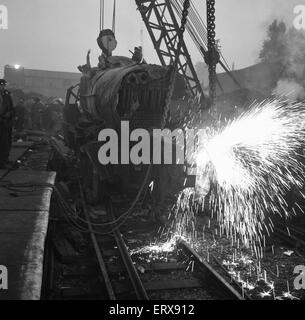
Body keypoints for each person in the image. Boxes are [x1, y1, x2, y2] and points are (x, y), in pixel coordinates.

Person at [0, 79, 14, 169]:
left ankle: (4, 160)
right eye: (1, 85)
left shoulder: (6, 95)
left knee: (6, 142)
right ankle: (2, 163)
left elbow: (11, 108)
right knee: (2, 143)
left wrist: (10, 114)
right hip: (2, 122)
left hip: (6, 123)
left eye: (3, 85)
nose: (2, 86)